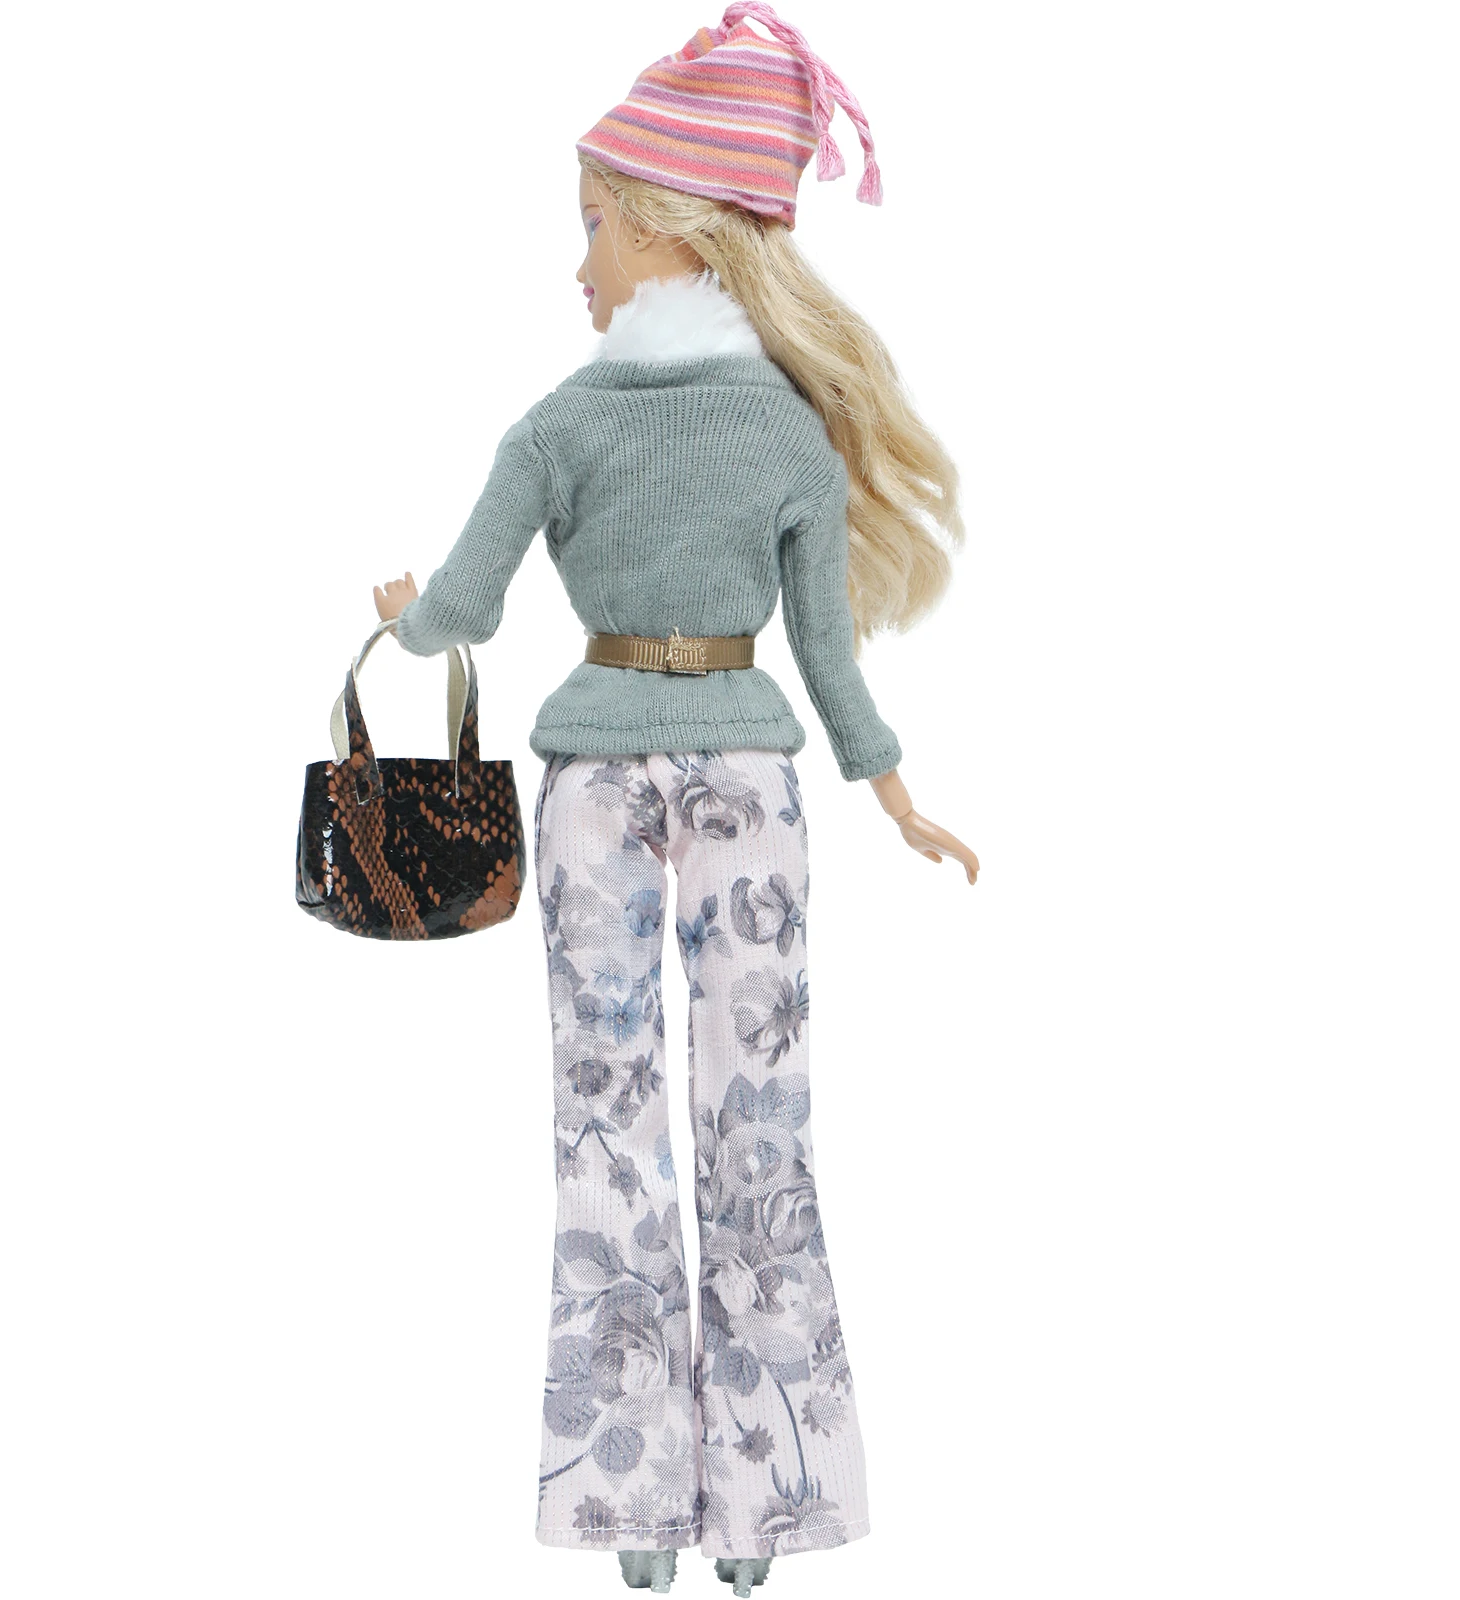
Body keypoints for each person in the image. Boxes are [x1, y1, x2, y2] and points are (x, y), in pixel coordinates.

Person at [372, 7, 977, 1590]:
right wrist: (884, 785)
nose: (578, 265)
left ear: (666, 223)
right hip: (741, 786)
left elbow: (469, 608)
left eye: (592, 225)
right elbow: (822, 658)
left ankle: (642, 1499)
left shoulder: (568, 425)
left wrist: (407, 620)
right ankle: (743, 1499)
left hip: (602, 785)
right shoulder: (767, 428)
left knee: (611, 1125)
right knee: (748, 1124)